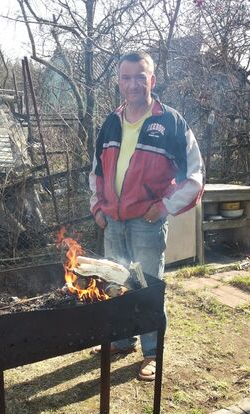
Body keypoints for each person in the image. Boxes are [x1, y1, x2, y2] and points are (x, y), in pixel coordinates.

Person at [89, 51, 204, 381]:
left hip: (146, 223)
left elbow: (194, 175)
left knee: (146, 287)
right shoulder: (111, 122)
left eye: (140, 76)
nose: (133, 84)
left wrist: (165, 206)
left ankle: (153, 352)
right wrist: (97, 207)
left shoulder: (170, 123)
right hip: (113, 223)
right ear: (119, 83)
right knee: (116, 283)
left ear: (152, 80)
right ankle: (122, 340)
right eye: (126, 77)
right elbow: (96, 171)